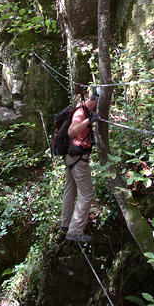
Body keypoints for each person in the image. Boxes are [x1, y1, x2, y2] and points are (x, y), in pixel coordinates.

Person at [60, 93, 100, 243]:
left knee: (70, 189)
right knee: (87, 194)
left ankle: (65, 224)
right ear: (95, 103)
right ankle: (75, 231)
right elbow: (71, 131)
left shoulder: (83, 109)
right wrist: (88, 121)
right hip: (78, 158)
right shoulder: (81, 112)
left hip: (71, 157)